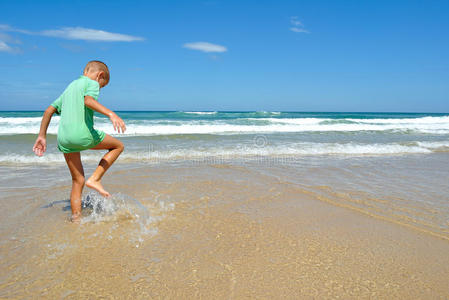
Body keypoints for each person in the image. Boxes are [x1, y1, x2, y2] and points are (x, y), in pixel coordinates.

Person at [33, 60, 126, 222]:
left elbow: (49, 110)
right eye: (102, 86)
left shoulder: (70, 87)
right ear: (100, 76)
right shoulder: (92, 82)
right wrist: (111, 114)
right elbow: (88, 101)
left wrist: (42, 136)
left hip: (64, 139)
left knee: (78, 180)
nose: (100, 88)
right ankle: (96, 178)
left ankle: (76, 218)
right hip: (82, 135)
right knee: (118, 146)